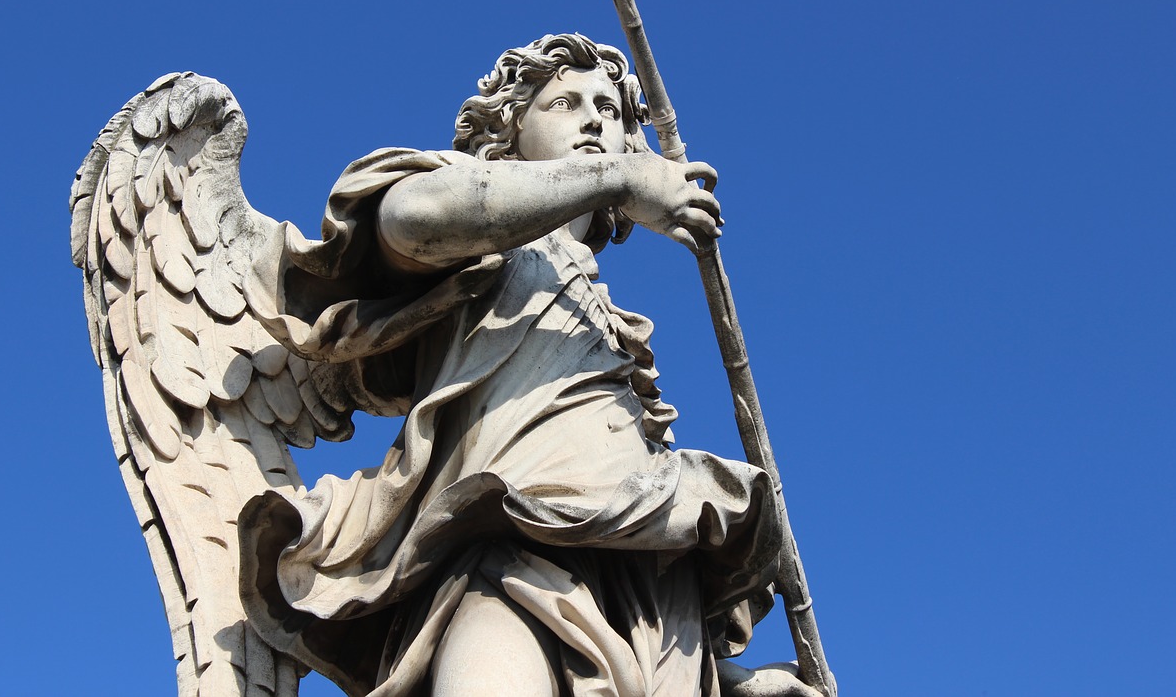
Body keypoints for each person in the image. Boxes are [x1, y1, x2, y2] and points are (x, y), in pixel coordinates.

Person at [238, 34, 820, 697]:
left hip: (650, 592)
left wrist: (737, 682)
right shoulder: (484, 244)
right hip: (502, 557)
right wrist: (620, 176)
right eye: (566, 102)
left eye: (608, 107)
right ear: (508, 130)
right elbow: (413, 217)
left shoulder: (612, 330)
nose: (595, 118)